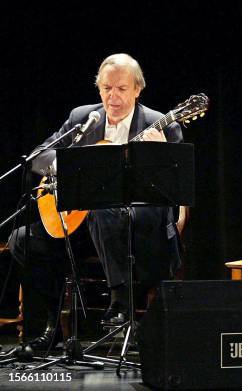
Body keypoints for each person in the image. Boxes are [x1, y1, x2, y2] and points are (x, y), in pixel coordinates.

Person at [8, 53, 183, 350]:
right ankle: (53, 327)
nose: (112, 97)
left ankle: (120, 304)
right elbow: (40, 155)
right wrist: (66, 166)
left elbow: (173, 192)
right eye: (106, 88)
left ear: (138, 89)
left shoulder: (159, 125)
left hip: (137, 230)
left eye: (121, 89)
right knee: (22, 239)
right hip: (81, 228)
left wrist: (160, 156)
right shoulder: (83, 117)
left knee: (105, 211)